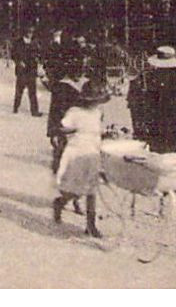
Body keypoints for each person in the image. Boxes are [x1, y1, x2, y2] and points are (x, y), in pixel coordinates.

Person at [52, 82, 108, 238]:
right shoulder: (74, 112)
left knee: (91, 189)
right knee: (74, 190)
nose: (95, 103)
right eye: (93, 100)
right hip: (77, 152)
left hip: (92, 153)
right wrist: (71, 130)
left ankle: (90, 225)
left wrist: (106, 134)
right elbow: (61, 127)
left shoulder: (97, 113)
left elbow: (96, 130)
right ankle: (60, 202)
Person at [10, 27, 42, 116]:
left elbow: (39, 53)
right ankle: (16, 107)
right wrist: (19, 62)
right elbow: (13, 54)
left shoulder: (34, 42)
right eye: (29, 32)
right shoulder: (18, 42)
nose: (31, 34)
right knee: (19, 91)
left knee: (32, 92)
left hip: (32, 70)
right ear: (25, 33)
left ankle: (34, 111)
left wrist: (37, 58)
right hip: (22, 71)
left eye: (32, 32)